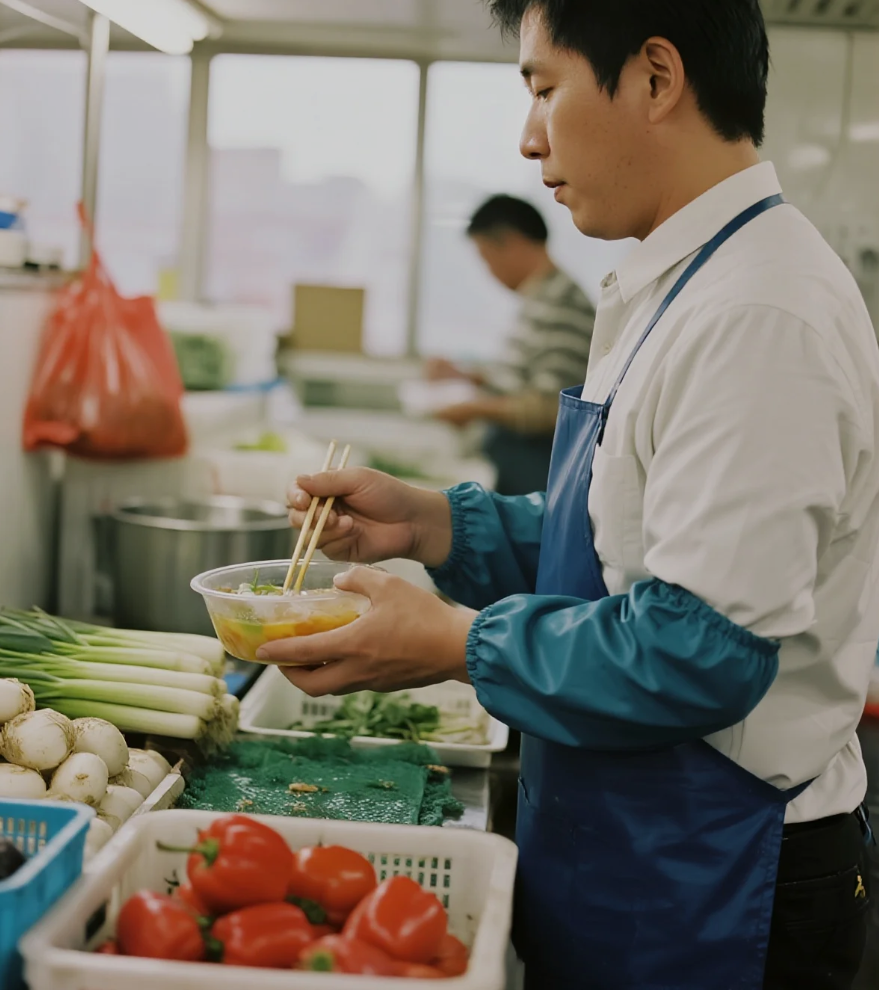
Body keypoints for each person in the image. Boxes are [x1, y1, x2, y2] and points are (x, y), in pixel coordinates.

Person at [265, 1, 879, 987]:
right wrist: (433, 524)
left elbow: (698, 647)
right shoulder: (676, 280)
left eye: (543, 88)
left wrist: (451, 643)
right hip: (630, 841)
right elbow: (616, 545)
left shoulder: (760, 312)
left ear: (654, 77)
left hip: (719, 871)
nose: (525, 136)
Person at [426, 194, 595, 496]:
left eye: (486, 258)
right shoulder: (540, 297)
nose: (488, 272)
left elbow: (550, 408)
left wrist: (475, 409)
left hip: (535, 465)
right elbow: (522, 379)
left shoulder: (562, 304)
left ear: (512, 243)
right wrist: (465, 375)